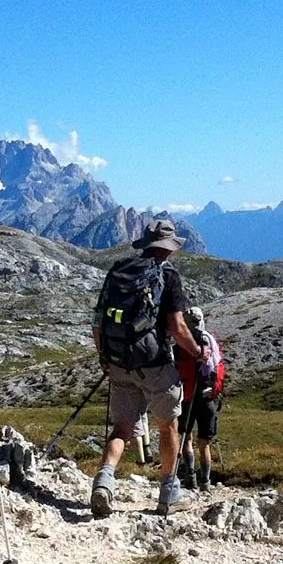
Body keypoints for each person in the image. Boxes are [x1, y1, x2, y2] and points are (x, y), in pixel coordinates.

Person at [90, 219, 204, 517]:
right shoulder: (168, 275)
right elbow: (177, 327)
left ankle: (103, 482)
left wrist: (104, 356)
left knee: (122, 428)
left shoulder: (119, 269)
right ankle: (169, 494)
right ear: (169, 247)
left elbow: (98, 320)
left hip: (119, 361)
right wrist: (198, 352)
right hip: (154, 363)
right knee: (168, 425)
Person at [177, 306, 224, 491]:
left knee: (186, 438)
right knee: (204, 443)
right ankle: (206, 482)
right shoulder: (210, 340)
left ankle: (190, 477)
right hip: (206, 397)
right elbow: (217, 367)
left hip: (186, 396)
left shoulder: (181, 342)